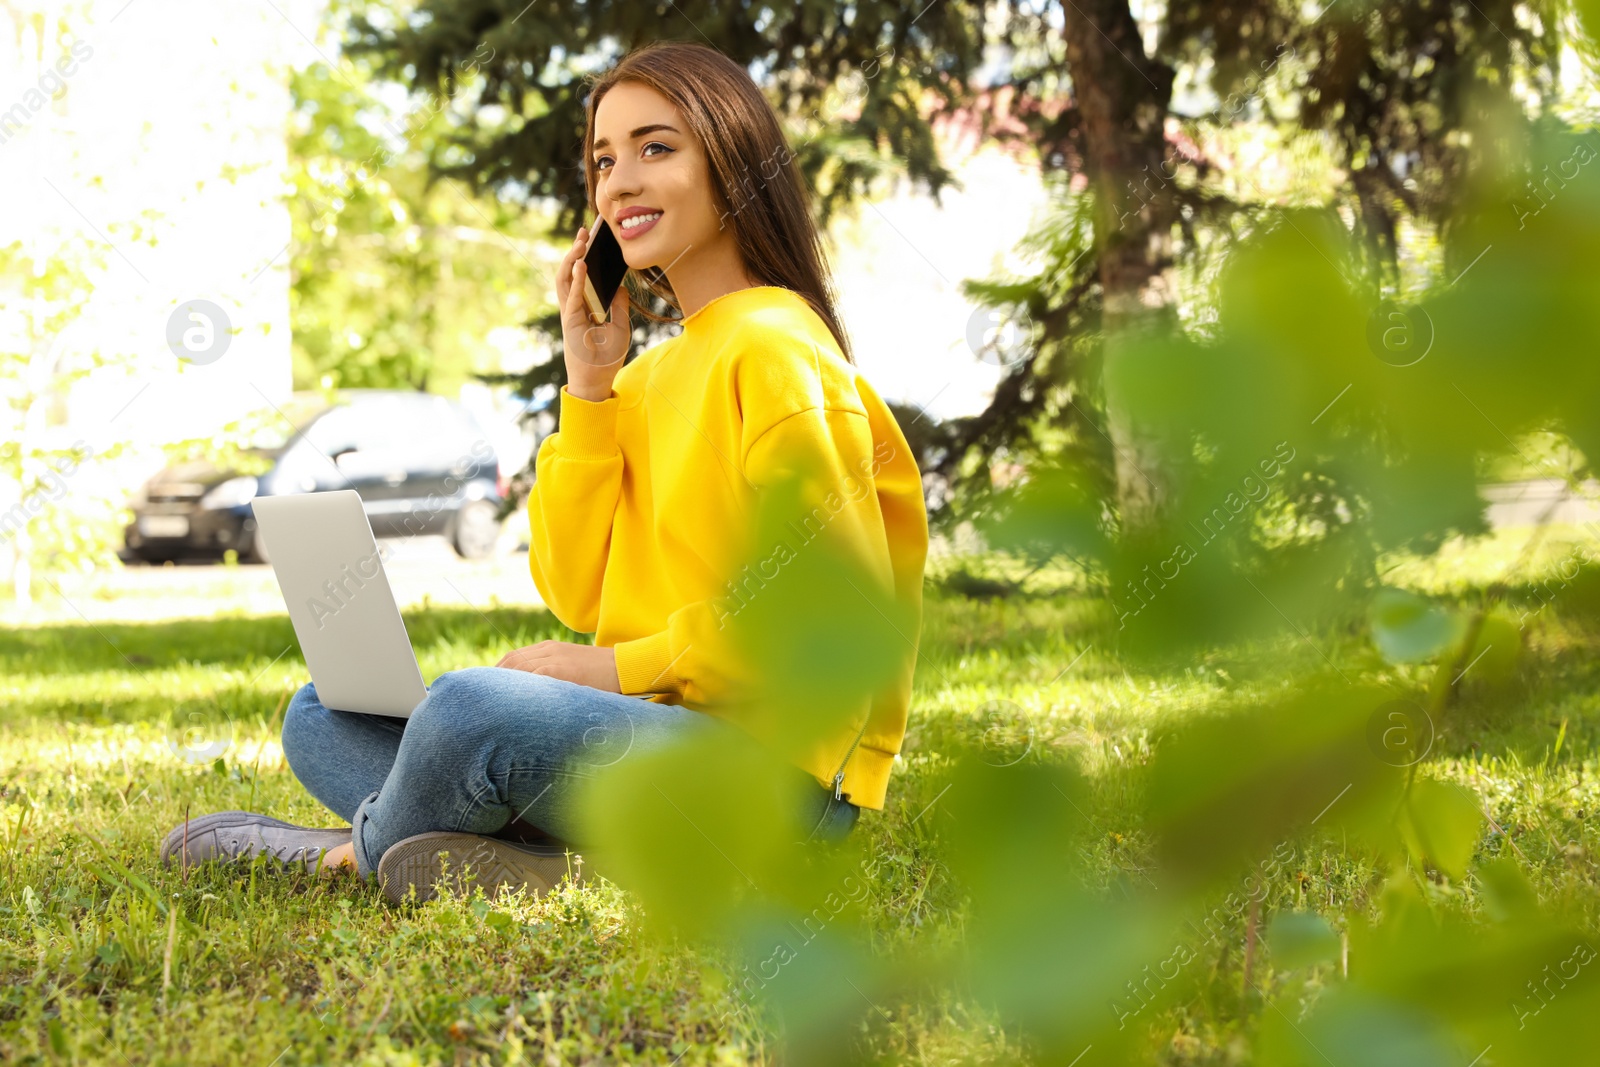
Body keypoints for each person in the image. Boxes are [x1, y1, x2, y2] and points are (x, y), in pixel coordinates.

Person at [159, 40, 929, 906]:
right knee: (321, 717)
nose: (620, 182)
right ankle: (573, 855)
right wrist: (591, 387)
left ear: (733, 161)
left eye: (655, 147)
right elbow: (576, 590)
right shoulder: (643, 376)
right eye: (604, 160)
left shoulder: (775, 346)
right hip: (656, 742)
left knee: (463, 715)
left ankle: (356, 853)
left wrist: (609, 674)